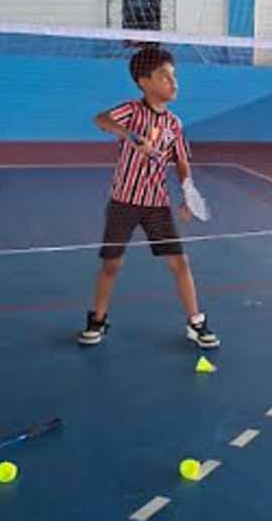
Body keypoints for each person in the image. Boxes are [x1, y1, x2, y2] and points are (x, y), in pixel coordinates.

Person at [78, 47, 220, 349]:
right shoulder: (131, 111)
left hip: (157, 205)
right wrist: (129, 136)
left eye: (174, 76)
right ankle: (98, 319)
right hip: (123, 202)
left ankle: (196, 322)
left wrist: (187, 190)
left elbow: (181, 160)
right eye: (164, 76)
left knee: (180, 262)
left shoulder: (174, 124)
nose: (173, 82)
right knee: (112, 265)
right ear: (144, 82)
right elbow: (101, 119)